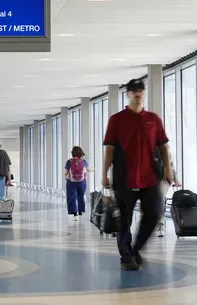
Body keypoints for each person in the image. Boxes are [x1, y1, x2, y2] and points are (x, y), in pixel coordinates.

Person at [102, 79, 172, 271]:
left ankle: (136, 248)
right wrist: (104, 174)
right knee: (123, 219)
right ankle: (126, 258)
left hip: (150, 177)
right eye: (134, 91)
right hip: (124, 178)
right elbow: (109, 148)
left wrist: (168, 171)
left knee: (155, 213)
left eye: (140, 90)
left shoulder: (153, 119)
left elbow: (163, 147)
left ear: (144, 93)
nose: (138, 93)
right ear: (128, 94)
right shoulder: (116, 120)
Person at [64, 146, 93, 221]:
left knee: (72, 197)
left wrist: (66, 177)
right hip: (82, 182)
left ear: (72, 153)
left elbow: (66, 173)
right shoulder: (83, 161)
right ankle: (80, 211)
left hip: (71, 182)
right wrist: (93, 169)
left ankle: (74, 213)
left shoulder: (69, 162)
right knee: (81, 196)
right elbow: (89, 170)